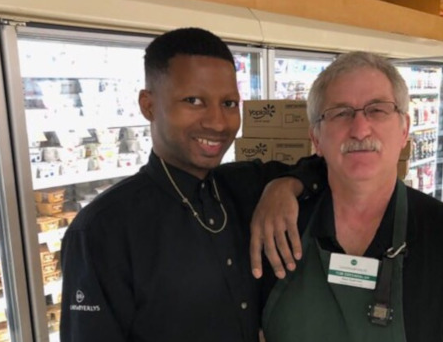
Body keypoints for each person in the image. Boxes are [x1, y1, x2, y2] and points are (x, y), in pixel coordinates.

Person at [60, 27, 308, 342]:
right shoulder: (102, 229)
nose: (218, 122)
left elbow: (318, 169)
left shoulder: (248, 186)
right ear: (148, 105)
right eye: (194, 101)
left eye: (229, 104)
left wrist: (286, 186)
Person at [258, 51, 443, 341]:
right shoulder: (277, 226)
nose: (359, 129)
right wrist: (280, 185)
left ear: (404, 128)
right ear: (316, 138)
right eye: (340, 113)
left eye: (377, 110)